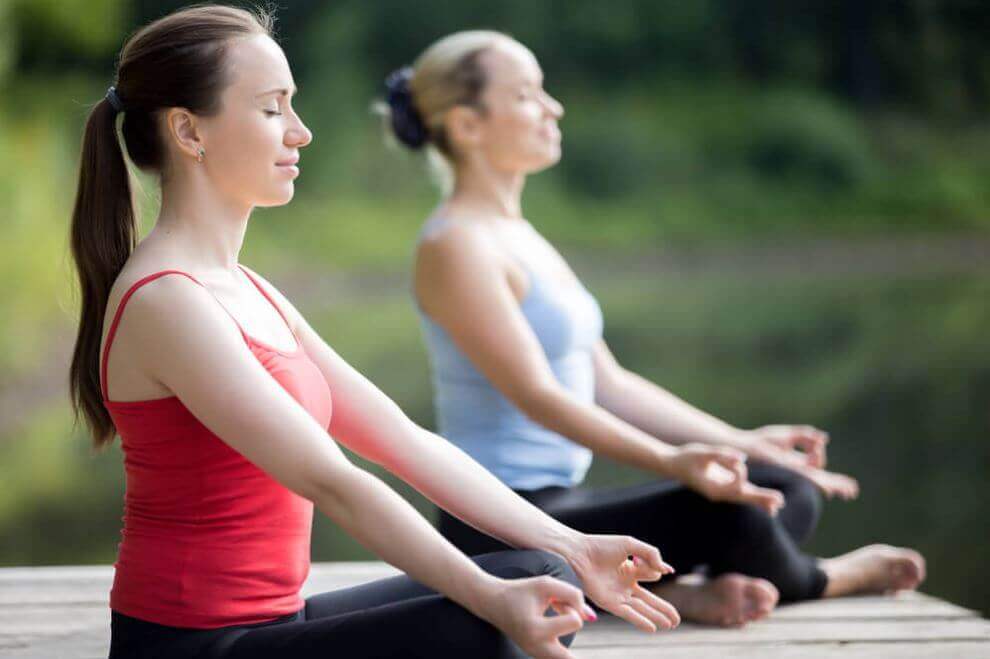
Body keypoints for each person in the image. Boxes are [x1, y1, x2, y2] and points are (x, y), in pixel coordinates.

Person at [67, 7, 680, 658]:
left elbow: (404, 440)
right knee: (491, 617)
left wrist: (573, 544)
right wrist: (483, 593)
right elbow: (334, 481)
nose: (300, 133)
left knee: (543, 574)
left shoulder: (247, 288)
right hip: (193, 646)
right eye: (273, 109)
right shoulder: (167, 300)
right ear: (190, 131)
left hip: (278, 622)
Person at [382, 29, 927, 628]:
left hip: (564, 499)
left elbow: (609, 382)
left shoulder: (518, 234)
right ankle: (822, 578)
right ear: (467, 125)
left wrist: (741, 444)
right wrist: (673, 462)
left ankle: (678, 589)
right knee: (737, 516)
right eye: (527, 95)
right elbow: (537, 396)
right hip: (500, 523)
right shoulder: (455, 245)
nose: (552, 107)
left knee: (782, 485)